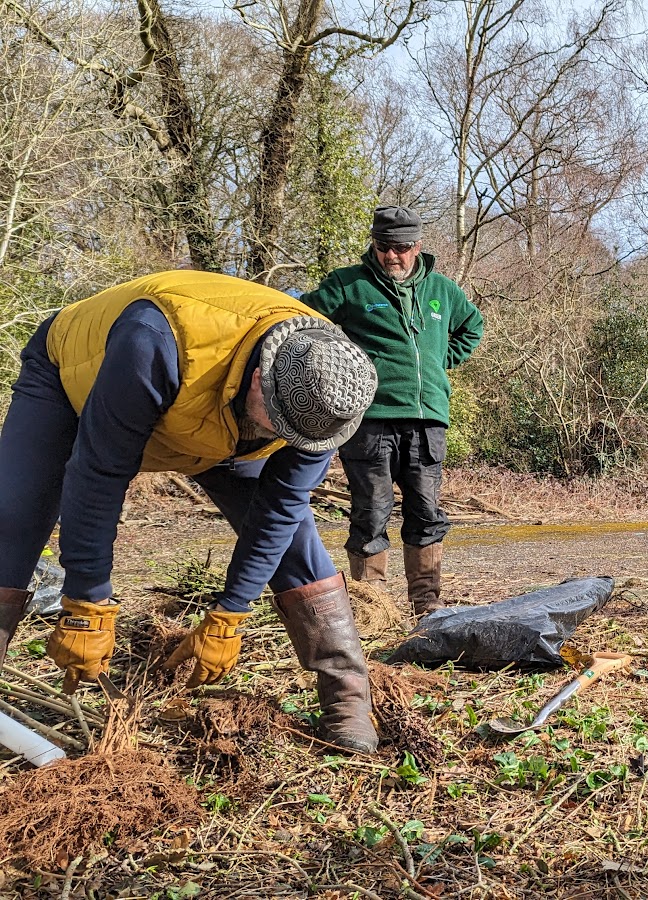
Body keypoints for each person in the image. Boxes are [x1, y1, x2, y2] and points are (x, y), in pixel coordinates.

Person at [0, 270, 382, 753]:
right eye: (278, 426)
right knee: (13, 516)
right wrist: (86, 602)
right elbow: (98, 475)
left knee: (298, 544)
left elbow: (282, 508)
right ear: (261, 377)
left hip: (214, 426)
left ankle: (348, 699)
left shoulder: (326, 397)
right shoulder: (153, 341)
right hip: (72, 378)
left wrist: (230, 613)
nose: (283, 441)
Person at [300, 206, 484, 616]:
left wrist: (439, 360)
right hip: (370, 420)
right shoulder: (348, 285)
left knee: (426, 511)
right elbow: (300, 321)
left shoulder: (443, 291)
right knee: (371, 511)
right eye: (383, 247)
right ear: (374, 244)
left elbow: (473, 326)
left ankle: (427, 607)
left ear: (417, 246)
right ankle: (373, 610)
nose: (391, 257)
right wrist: (334, 369)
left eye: (401, 248)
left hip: (427, 418)